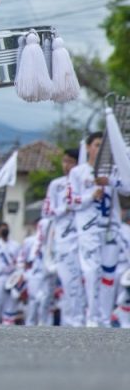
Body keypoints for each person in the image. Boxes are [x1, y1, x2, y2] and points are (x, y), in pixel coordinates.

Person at [69, 131, 130, 327]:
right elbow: (71, 201)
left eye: (103, 146)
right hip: (88, 228)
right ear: (87, 147)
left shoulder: (113, 171)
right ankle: (91, 316)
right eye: (96, 145)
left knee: (108, 274)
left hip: (110, 229)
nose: (99, 149)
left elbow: (127, 188)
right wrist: (90, 196)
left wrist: (109, 181)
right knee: (91, 271)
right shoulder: (78, 172)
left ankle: (104, 317)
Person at [47, 150, 87, 326]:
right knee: (67, 281)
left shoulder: (85, 184)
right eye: (65, 161)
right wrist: (65, 208)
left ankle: (81, 320)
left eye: (71, 162)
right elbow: (47, 211)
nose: (66, 165)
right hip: (63, 240)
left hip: (82, 238)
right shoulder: (56, 185)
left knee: (82, 282)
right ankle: (69, 322)